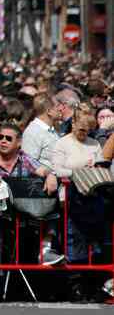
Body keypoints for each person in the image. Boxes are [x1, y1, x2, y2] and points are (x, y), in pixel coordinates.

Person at [0, 123, 64, 266]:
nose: (3, 141)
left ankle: (46, 249)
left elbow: (42, 170)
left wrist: (51, 175)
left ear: (18, 143)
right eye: (0, 137)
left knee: (53, 204)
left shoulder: (24, 159)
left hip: (21, 214)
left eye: (8, 138)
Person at [51, 106, 104, 301]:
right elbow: (57, 170)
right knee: (74, 240)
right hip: (71, 199)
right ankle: (74, 285)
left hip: (92, 198)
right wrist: (79, 172)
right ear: (73, 124)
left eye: (88, 130)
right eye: (81, 129)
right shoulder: (62, 144)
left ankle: (92, 285)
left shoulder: (94, 144)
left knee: (93, 242)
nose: (84, 133)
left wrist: (95, 167)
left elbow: (100, 166)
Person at [22, 94, 63, 170]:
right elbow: (28, 163)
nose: (61, 108)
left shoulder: (51, 129)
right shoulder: (33, 132)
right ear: (49, 111)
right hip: (43, 180)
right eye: (57, 106)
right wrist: (48, 174)